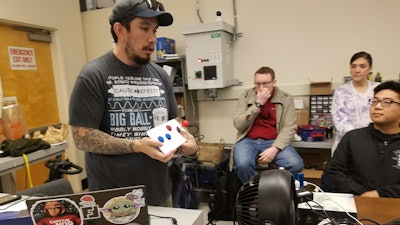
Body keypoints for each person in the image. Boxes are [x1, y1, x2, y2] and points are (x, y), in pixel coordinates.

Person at [68, 0, 198, 206]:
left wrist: (187, 143)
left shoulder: (160, 76)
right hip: (113, 198)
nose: (152, 38)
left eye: (154, 30)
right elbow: (82, 138)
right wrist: (136, 145)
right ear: (120, 30)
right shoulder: (94, 75)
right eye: (144, 28)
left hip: (159, 192)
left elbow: (174, 123)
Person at [324, 80, 400, 198]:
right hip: (356, 204)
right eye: (375, 101)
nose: (378, 106)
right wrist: (363, 194)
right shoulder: (353, 138)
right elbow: (335, 172)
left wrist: (380, 194)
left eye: (387, 102)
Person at [232, 66, 304, 184]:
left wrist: (275, 148)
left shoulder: (286, 98)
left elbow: (289, 127)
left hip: (274, 140)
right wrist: (257, 104)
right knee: (242, 164)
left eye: (265, 83)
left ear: (274, 82)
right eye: (257, 84)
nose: (261, 88)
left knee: (296, 164)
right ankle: (253, 193)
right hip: (248, 140)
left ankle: (278, 191)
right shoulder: (246, 96)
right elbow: (238, 124)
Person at [331, 51, 380, 154]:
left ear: (370, 69)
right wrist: (360, 139)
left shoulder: (378, 89)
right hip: (347, 144)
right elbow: (339, 122)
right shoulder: (341, 92)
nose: (357, 70)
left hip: (375, 142)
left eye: (362, 66)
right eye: (353, 66)